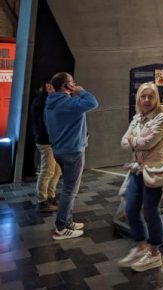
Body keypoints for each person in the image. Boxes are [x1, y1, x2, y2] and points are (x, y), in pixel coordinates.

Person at [118, 82, 163, 272]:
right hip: (137, 170)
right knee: (130, 208)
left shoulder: (161, 118)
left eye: (150, 96)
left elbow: (148, 142)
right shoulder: (137, 118)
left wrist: (134, 141)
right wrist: (134, 141)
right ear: (138, 99)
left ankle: (155, 253)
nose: (146, 100)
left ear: (156, 98)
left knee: (150, 211)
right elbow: (124, 142)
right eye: (143, 96)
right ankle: (141, 247)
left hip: (154, 171)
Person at [44, 72, 98, 240]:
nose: (75, 84)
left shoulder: (51, 102)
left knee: (68, 188)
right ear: (66, 85)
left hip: (60, 150)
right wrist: (80, 91)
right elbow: (93, 102)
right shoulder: (69, 103)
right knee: (70, 190)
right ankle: (61, 227)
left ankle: (67, 221)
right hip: (73, 151)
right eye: (71, 82)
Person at [31, 77, 61, 212]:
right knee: (48, 170)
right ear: (48, 86)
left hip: (50, 140)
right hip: (46, 141)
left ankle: (51, 196)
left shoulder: (47, 100)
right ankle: (42, 200)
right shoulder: (42, 102)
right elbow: (44, 124)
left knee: (56, 170)